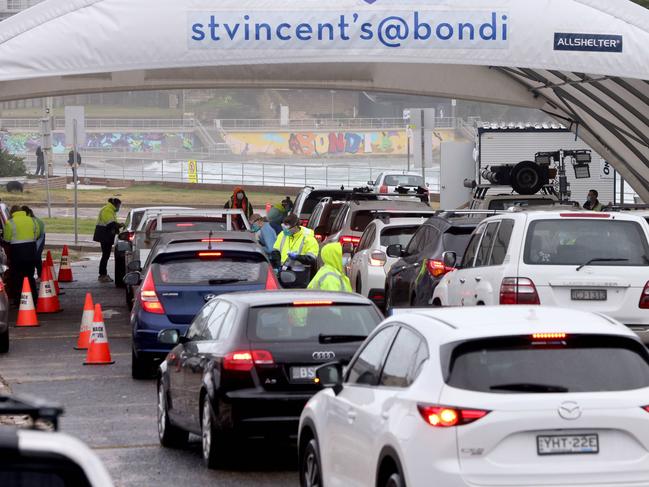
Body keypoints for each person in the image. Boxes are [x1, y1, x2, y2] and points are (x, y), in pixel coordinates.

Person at [3, 205, 41, 305]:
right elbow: (37, 234)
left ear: (11, 213)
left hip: (17, 252)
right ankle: (34, 298)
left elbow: (7, 239)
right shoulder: (32, 220)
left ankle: (20, 299)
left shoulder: (10, 222)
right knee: (30, 275)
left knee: (18, 277)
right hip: (31, 250)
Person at [271, 214, 319, 287]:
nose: (285, 230)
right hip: (283, 272)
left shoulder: (308, 238)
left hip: (300, 275)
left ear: (295, 227)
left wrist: (297, 257)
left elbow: (311, 259)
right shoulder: (283, 234)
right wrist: (277, 266)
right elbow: (275, 251)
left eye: (287, 228)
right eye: (283, 227)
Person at [93, 198, 122, 283]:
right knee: (105, 255)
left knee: (106, 255)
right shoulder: (107, 210)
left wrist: (118, 226)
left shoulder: (110, 210)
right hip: (104, 236)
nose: (119, 207)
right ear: (116, 204)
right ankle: (102, 275)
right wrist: (119, 225)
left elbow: (112, 223)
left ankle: (103, 274)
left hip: (106, 236)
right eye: (119, 206)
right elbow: (111, 224)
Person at [22, 206, 45, 278]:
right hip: (38, 238)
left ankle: (36, 276)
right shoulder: (38, 220)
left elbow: (38, 234)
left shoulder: (30, 221)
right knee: (37, 257)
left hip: (37, 238)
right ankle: (39, 276)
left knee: (35, 257)